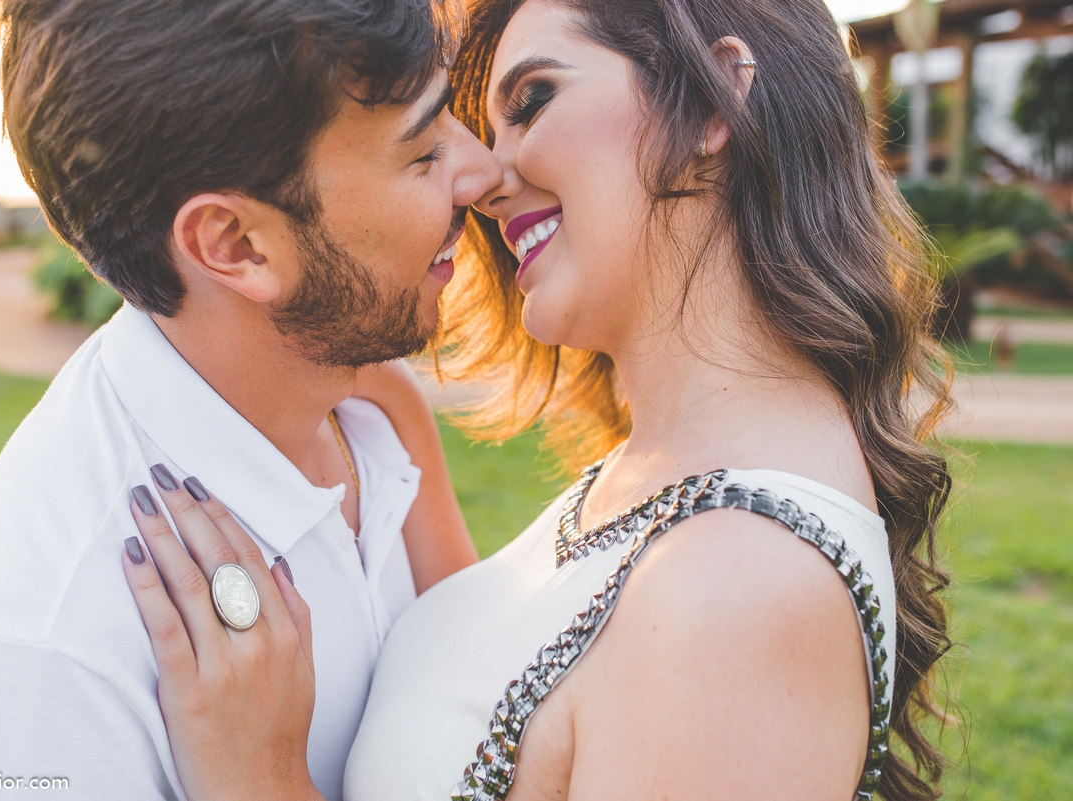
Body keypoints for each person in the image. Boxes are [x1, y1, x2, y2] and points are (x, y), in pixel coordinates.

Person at [122, 1, 955, 800]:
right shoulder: (679, 469)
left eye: (534, 100)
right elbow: (514, 690)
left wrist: (259, 781)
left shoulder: (740, 593)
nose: (483, 176)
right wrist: (387, 403)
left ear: (712, 100)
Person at [0, 0, 501, 797]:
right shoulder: (42, 661)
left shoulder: (370, 409)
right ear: (236, 244)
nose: (483, 170)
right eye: (423, 150)